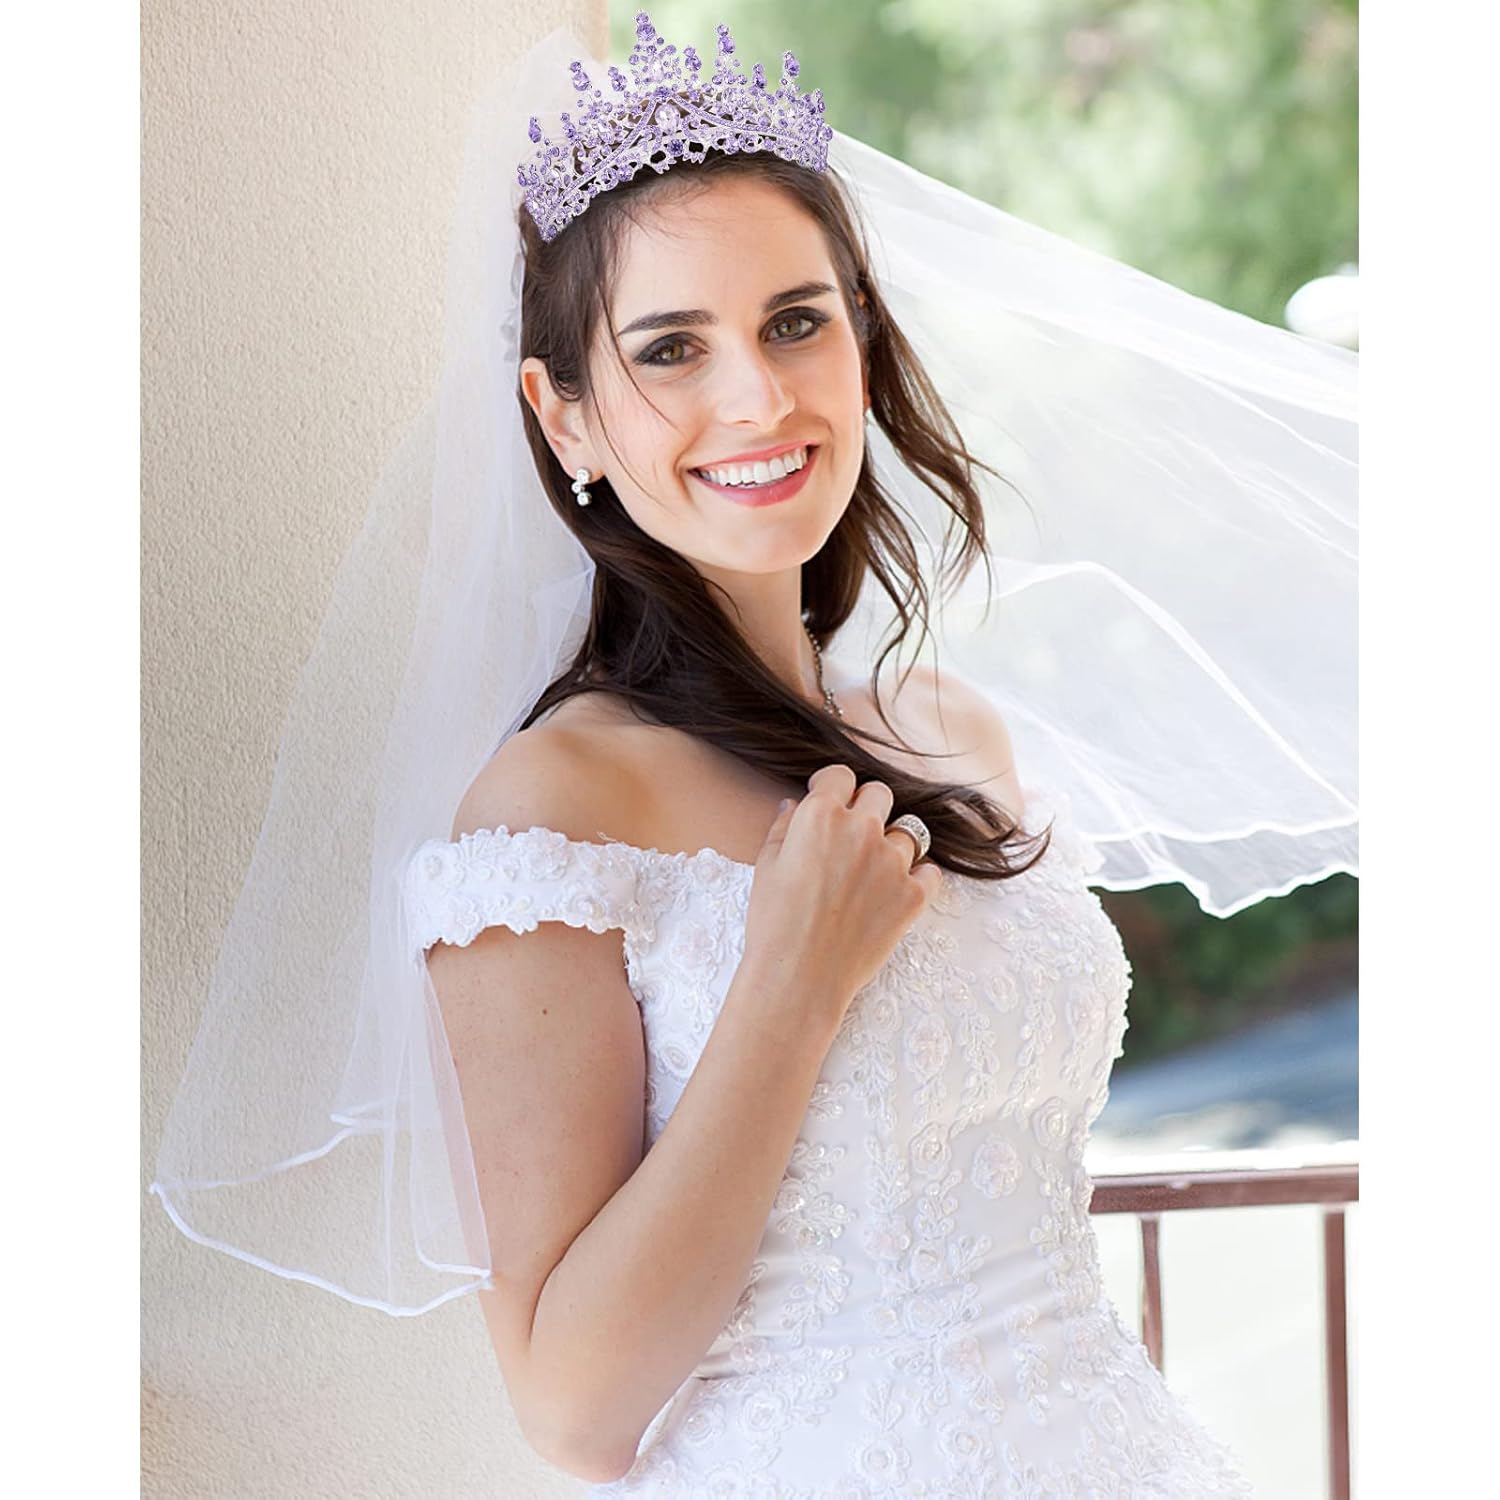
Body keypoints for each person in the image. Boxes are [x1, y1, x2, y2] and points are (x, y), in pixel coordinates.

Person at [152, 13, 1355, 1496]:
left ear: (861, 335)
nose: (759, 401)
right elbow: (575, 1411)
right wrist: (789, 981)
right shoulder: (554, 809)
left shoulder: (948, 730)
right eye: (671, 349)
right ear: (566, 415)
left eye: (797, 321)